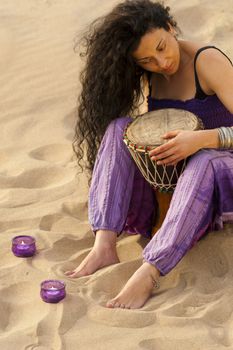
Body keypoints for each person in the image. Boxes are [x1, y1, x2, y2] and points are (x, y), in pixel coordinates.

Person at [65, 0, 233, 309]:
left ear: (171, 28)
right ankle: (104, 244)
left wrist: (202, 140)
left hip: (222, 168)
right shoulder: (150, 75)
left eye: (162, 47)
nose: (161, 62)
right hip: (181, 177)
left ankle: (150, 271)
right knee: (119, 129)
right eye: (147, 60)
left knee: (204, 159)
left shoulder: (206, 61)